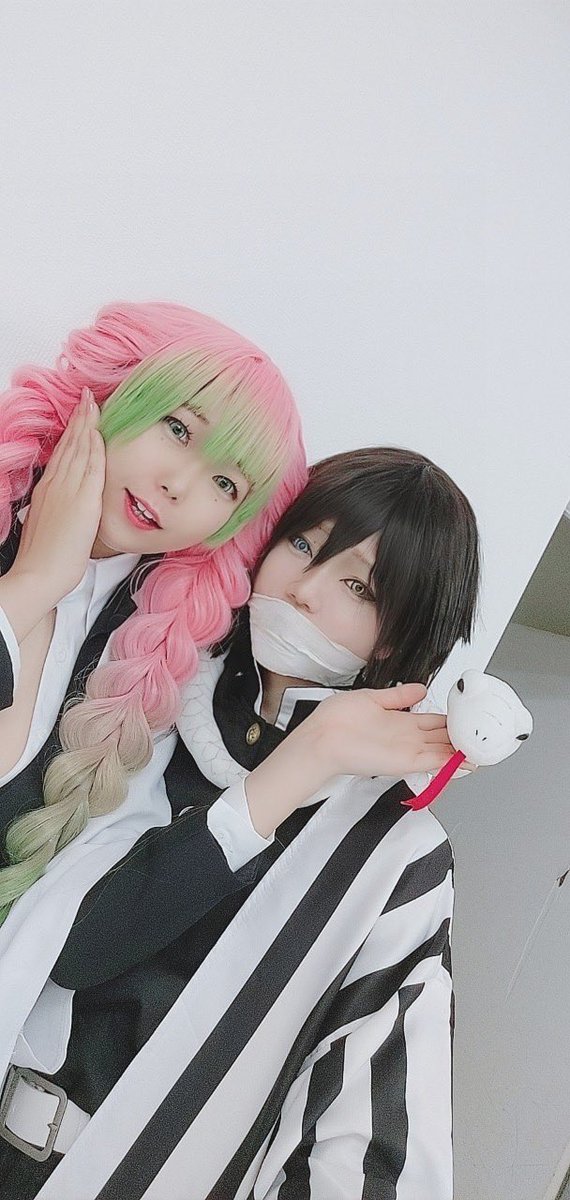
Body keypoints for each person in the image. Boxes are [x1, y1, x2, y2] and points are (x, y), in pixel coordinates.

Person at [0, 446, 480, 1199]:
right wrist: (293, 769)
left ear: (395, 638)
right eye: (303, 545)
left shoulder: (392, 848)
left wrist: (315, 764)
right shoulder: (148, 693)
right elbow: (75, 946)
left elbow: (369, 1139)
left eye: (357, 585)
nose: (304, 590)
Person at [0, 299, 307, 929]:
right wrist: (36, 581)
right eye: (179, 428)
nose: (179, 485)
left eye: (226, 484)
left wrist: (313, 759)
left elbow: (91, 941)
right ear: (113, 391)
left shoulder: (153, 656)